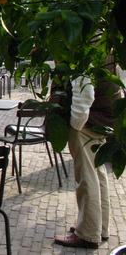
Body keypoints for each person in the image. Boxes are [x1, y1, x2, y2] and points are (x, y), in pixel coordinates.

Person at [53, 58, 124, 248]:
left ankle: (87, 234)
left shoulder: (85, 40)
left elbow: (83, 86)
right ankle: (98, 227)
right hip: (103, 114)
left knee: (87, 176)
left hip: (89, 118)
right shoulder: (104, 34)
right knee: (97, 172)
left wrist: (77, 123)